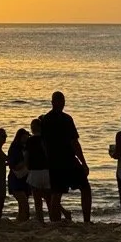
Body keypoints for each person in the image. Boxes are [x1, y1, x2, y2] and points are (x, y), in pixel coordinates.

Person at [37, 92, 92, 223]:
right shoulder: (66, 119)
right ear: (54, 102)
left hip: (56, 161)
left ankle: (56, 222)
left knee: (57, 193)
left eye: (62, 101)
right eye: (61, 101)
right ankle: (85, 220)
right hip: (67, 160)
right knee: (82, 188)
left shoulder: (46, 120)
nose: (62, 104)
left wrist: (48, 159)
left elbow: (43, 143)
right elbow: (74, 142)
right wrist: (83, 163)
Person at [22, 124, 52, 224]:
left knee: (37, 200)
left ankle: (40, 221)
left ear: (32, 128)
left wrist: (27, 167)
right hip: (46, 171)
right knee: (49, 199)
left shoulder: (30, 141)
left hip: (35, 172)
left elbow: (26, 156)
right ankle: (53, 219)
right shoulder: (46, 139)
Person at [6, 128, 32, 221]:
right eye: (24, 137)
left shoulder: (27, 147)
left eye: (26, 137)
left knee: (23, 206)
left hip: (26, 178)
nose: (25, 139)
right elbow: (14, 166)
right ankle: (22, 221)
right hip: (16, 178)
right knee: (24, 204)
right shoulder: (14, 148)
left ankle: (20, 221)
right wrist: (25, 160)